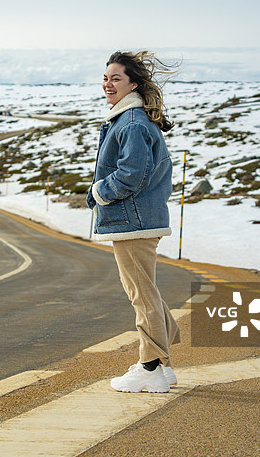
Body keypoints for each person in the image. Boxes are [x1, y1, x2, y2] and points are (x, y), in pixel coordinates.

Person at [86, 50, 180, 393]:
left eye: (116, 78)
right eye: (106, 77)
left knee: (141, 295)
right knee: (146, 291)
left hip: (133, 221)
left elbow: (130, 175)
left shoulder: (132, 122)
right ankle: (163, 365)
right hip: (139, 219)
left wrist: (99, 193)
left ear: (133, 84)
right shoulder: (131, 119)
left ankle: (150, 367)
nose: (108, 84)